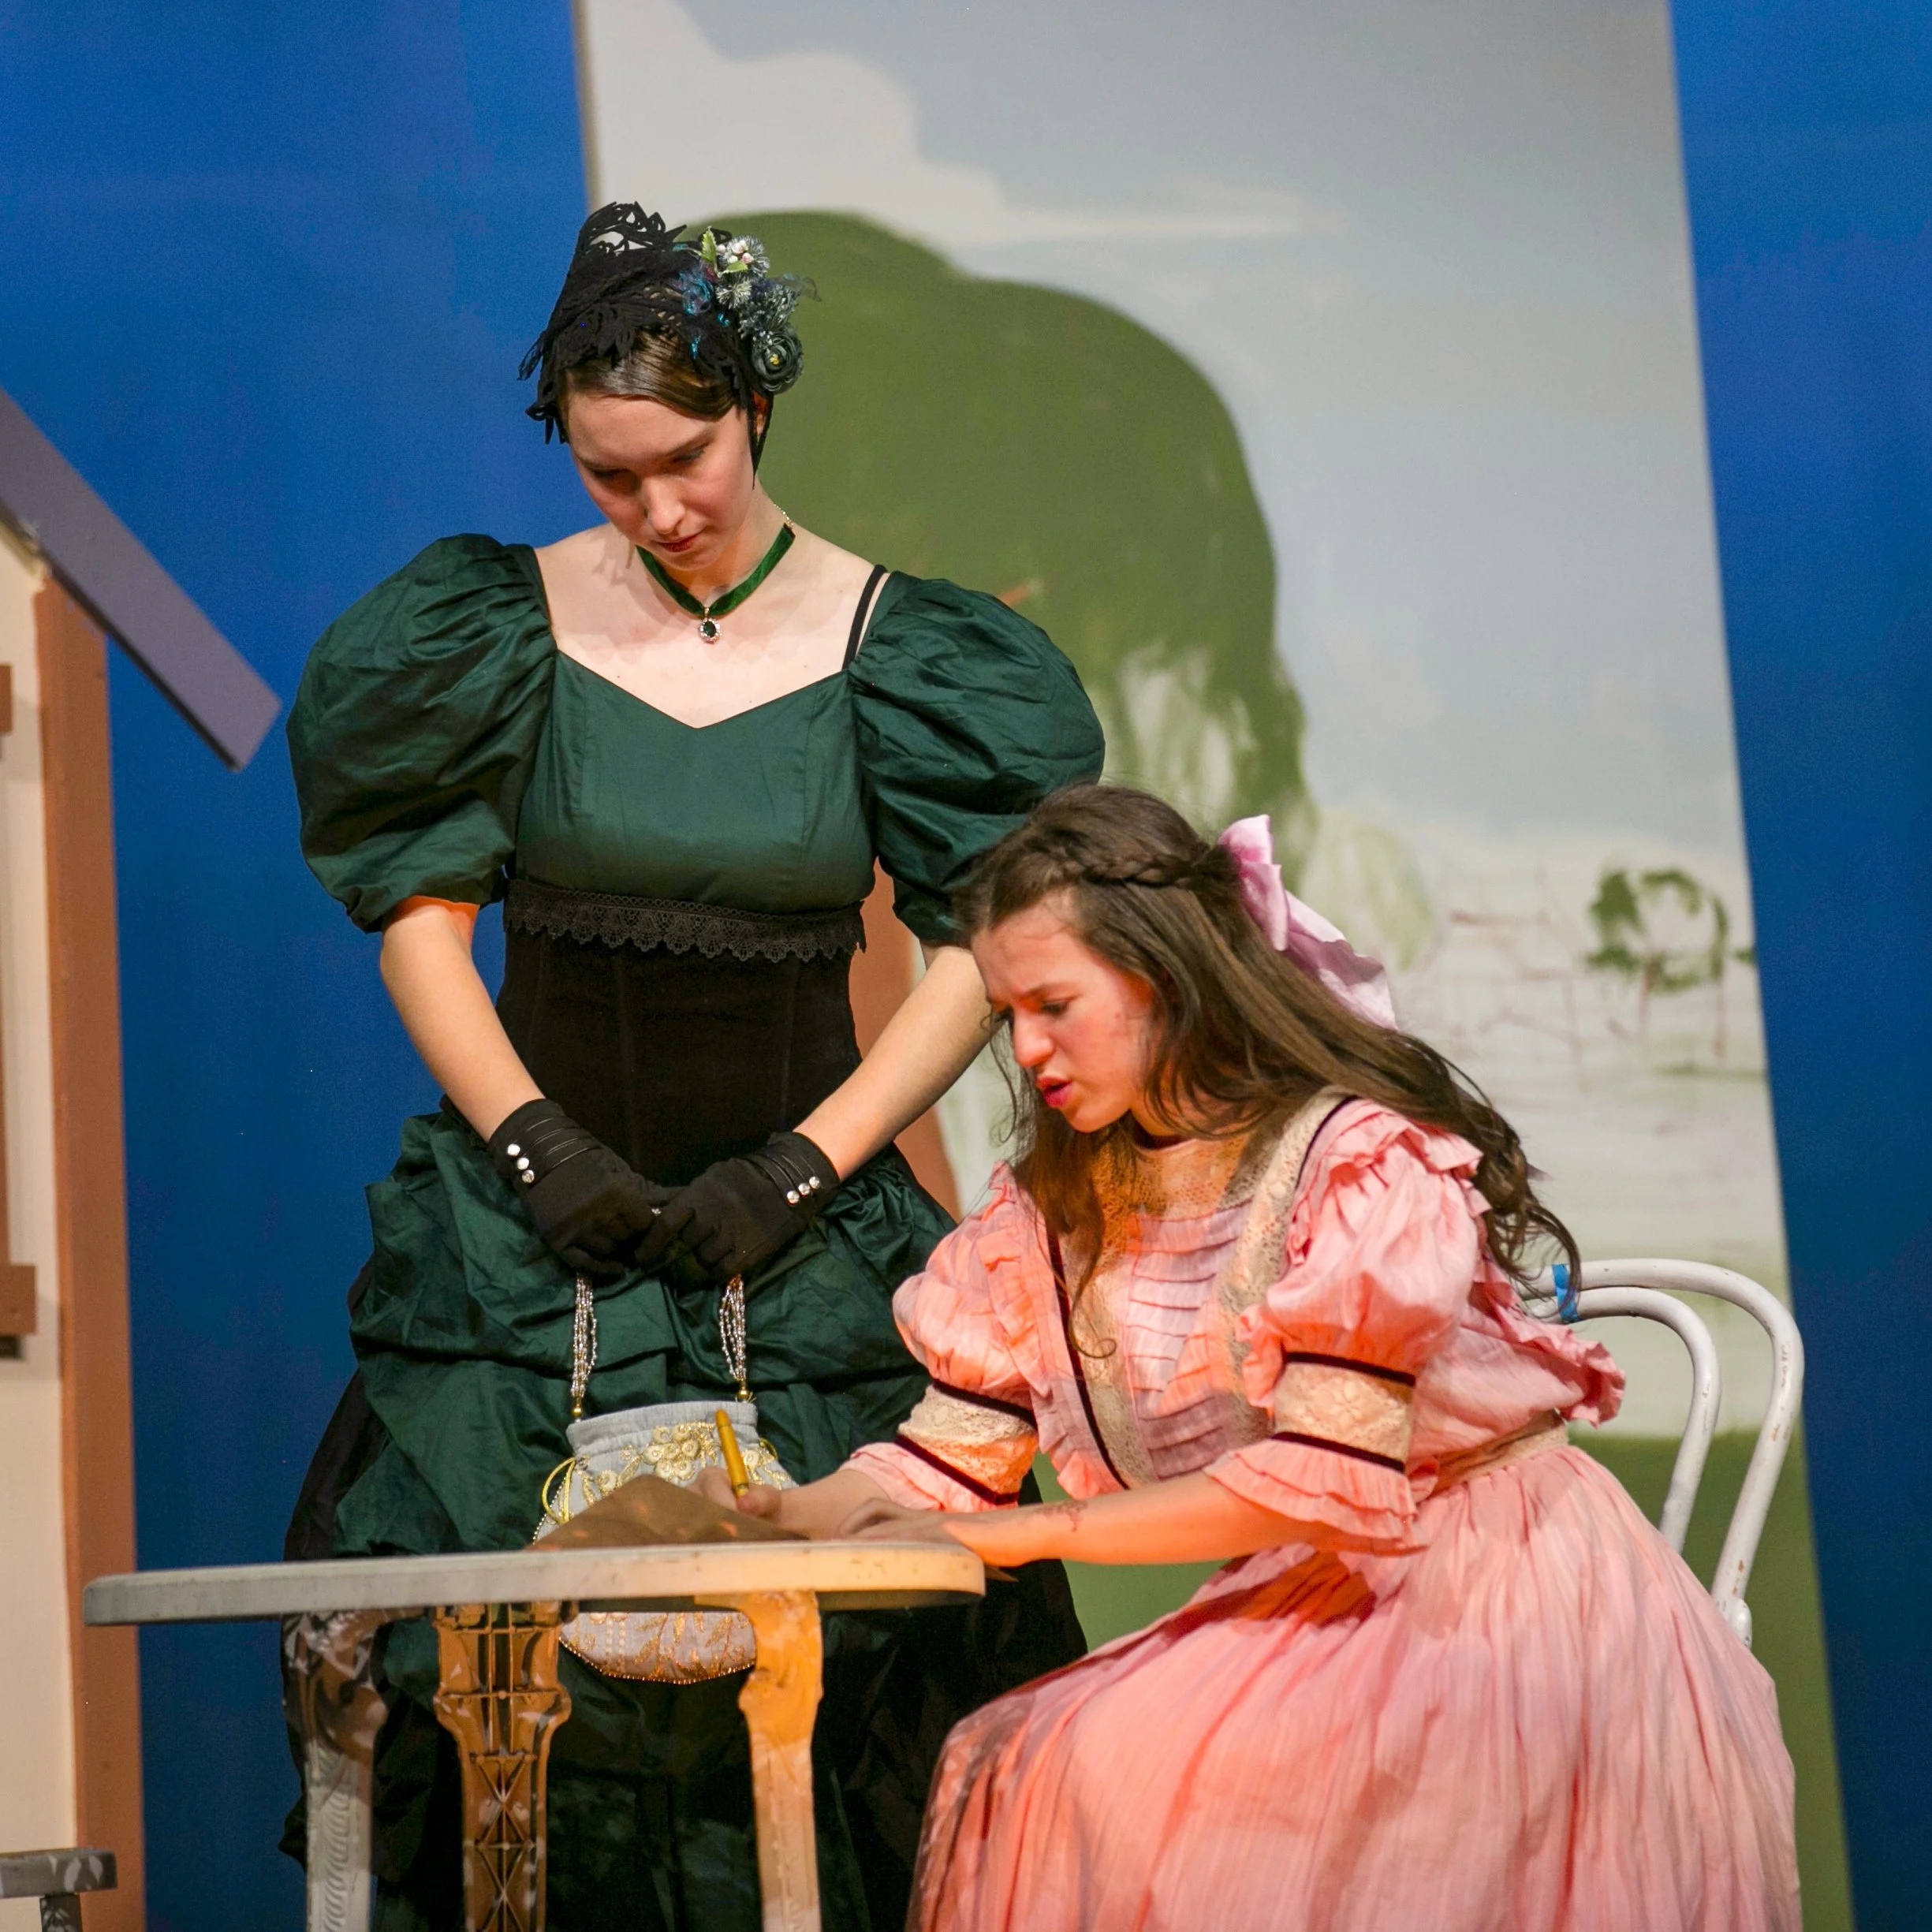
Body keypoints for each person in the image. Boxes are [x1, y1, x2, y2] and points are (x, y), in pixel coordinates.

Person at [283, 203, 1102, 1931]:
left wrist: (809, 1165)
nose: (661, 506)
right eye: (610, 475)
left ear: (757, 411)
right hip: (530, 1241)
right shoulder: (494, 627)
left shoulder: (906, 646)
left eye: (689, 456)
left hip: (805, 1238)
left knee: (866, 1699)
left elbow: (981, 942)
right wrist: (530, 1149)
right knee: (482, 1689)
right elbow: (418, 912)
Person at [712, 784, 1801, 1932]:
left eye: (1054, 1003)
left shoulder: (1347, 1161)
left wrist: (1021, 1531)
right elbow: (949, 1461)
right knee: (1028, 1754)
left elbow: (1324, 1478)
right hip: (1315, 1591)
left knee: (1099, 1771)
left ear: (1163, 977)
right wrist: (781, 1514)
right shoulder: (1053, 1212)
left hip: (1490, 1589)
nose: (1025, 1046)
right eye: (1007, 1011)